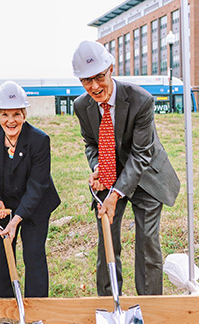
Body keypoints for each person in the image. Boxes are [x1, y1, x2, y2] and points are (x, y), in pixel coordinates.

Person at [72, 40, 180, 296]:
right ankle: (111, 303)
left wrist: (116, 194)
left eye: (99, 76)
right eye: (87, 80)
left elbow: (142, 154)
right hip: (109, 175)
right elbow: (91, 143)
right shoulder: (81, 106)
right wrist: (98, 166)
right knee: (107, 241)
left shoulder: (141, 100)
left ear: (111, 68)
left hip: (147, 176)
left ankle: (151, 306)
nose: (95, 86)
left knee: (147, 244)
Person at [0, 81, 61, 298]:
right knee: (1, 256)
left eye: (16, 114)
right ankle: (5, 306)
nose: (11, 120)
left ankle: (36, 308)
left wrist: (17, 220)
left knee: (34, 254)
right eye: (4, 114)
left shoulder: (39, 140)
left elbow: (38, 185)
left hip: (36, 204)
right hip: (3, 206)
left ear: (24, 114)